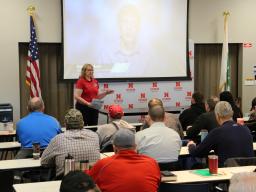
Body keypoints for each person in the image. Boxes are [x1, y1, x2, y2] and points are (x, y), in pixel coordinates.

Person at [89, 129, 161, 192]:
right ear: (135, 146)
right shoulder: (152, 162)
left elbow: (87, 182)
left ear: (114, 147)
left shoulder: (103, 164)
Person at [188, 101, 254, 166]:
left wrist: (191, 145)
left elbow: (197, 153)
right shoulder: (245, 129)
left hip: (226, 173)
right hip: (248, 173)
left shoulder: (217, 132)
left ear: (217, 115)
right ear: (232, 113)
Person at [41, 109, 100, 177]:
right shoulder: (95, 136)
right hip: (90, 183)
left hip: (66, 184)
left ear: (65, 124)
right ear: (83, 123)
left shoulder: (57, 139)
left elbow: (44, 162)